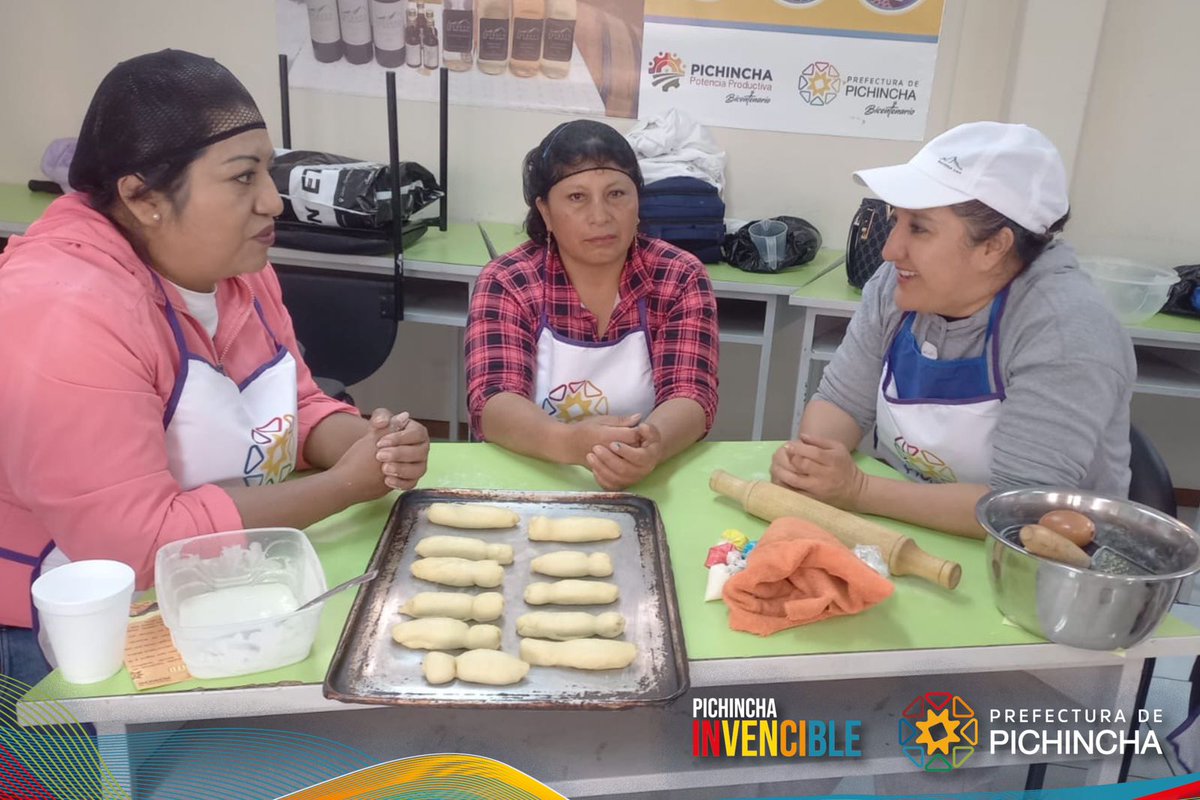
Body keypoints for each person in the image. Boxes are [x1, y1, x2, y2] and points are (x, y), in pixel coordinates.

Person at [0, 50, 430, 678]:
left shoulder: (236, 273)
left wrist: (371, 444)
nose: (273, 203)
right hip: (81, 639)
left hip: (231, 587)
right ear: (143, 196)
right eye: (242, 178)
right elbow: (138, 550)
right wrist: (344, 485)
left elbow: (296, 405)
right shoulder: (63, 311)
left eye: (269, 173)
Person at [773, 121, 1135, 538]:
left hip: (1037, 568)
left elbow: (1018, 508)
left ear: (993, 247)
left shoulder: (1065, 331)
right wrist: (812, 466)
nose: (890, 250)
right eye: (896, 221)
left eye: (919, 228)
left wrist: (857, 489)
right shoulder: (898, 285)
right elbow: (840, 403)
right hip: (905, 530)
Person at [465, 120, 719, 490]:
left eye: (617, 194)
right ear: (546, 212)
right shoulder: (508, 280)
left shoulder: (679, 276)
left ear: (638, 203)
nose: (600, 216)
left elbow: (692, 394)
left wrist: (652, 446)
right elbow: (492, 401)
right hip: (533, 475)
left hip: (648, 479)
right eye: (576, 197)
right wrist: (569, 443)